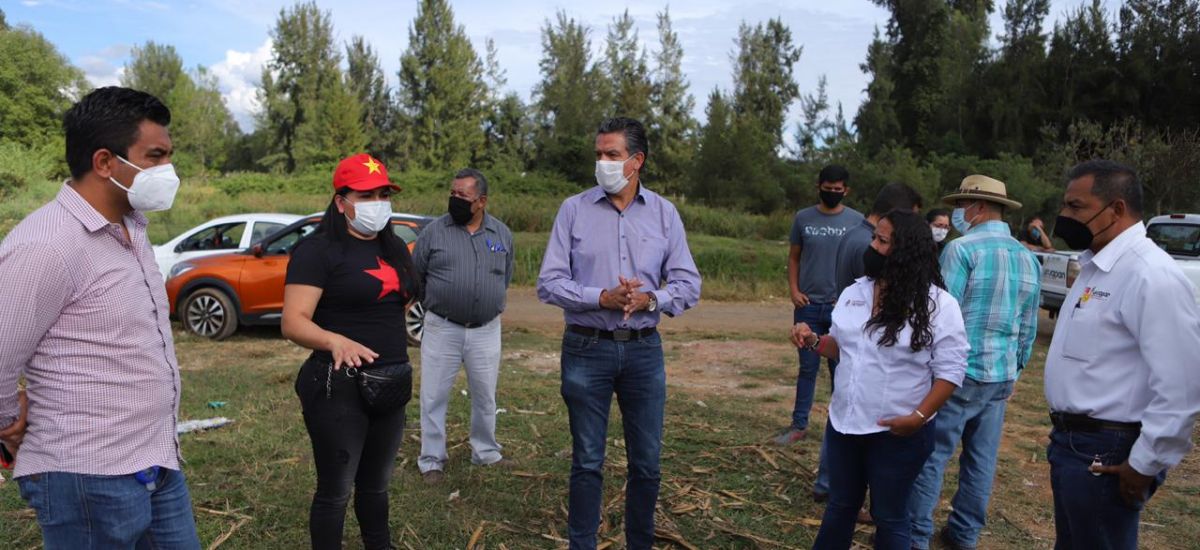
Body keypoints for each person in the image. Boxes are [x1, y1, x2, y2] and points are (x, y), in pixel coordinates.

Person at [0, 87, 201, 548]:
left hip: (157, 459)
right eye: (154, 156)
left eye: (169, 156)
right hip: (87, 477)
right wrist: (9, 421)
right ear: (105, 162)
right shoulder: (47, 244)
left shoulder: (132, 228)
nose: (168, 171)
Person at [537, 117, 701, 550]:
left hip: (645, 351)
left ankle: (639, 543)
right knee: (588, 461)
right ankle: (582, 544)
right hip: (587, 348)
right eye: (599, 155)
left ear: (636, 161)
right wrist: (600, 297)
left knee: (646, 464)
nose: (603, 163)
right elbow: (549, 282)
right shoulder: (574, 209)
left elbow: (688, 284)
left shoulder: (665, 214)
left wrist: (651, 300)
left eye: (612, 155)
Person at [1043, 160, 1200, 549]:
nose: (1064, 217)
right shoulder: (1096, 268)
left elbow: (1181, 384)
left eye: (1076, 207)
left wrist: (1145, 462)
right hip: (1072, 444)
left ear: (1116, 209)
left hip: (1108, 452)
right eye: (1065, 206)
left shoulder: (1151, 275)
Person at [793, 209, 968, 550]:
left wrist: (917, 419)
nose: (871, 246)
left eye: (881, 241)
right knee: (840, 506)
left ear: (904, 250)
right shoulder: (854, 292)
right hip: (844, 425)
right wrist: (814, 340)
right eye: (874, 237)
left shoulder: (938, 305)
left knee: (889, 516)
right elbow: (843, 348)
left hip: (897, 432)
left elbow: (951, 372)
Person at [281, 153, 420, 550]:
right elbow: (294, 321)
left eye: (382, 194)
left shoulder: (395, 247)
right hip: (337, 386)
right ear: (341, 202)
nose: (377, 202)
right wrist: (334, 340)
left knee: (376, 487)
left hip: (390, 382)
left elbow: (400, 301)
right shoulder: (318, 251)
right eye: (365, 195)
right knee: (336, 490)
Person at [907, 175, 1042, 550]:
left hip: (959, 374)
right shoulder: (1028, 257)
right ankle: (964, 535)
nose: (957, 214)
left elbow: (940, 317)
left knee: (931, 457)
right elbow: (1028, 325)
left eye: (961, 206)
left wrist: (926, 368)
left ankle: (915, 537)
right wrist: (1015, 369)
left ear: (978, 208)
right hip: (999, 376)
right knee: (981, 460)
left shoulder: (961, 250)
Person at [813, 182, 923, 504]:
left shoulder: (851, 233)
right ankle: (843, 487)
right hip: (859, 344)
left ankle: (829, 482)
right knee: (851, 417)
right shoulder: (871, 246)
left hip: (848, 339)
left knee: (842, 409)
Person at [415, 168, 515, 484]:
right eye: (453, 193)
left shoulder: (501, 234)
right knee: (433, 395)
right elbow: (417, 274)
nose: (455, 200)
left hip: (486, 329)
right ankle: (431, 459)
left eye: (463, 196)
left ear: (481, 201)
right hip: (442, 327)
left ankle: (485, 452)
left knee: (485, 395)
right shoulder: (433, 232)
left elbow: (506, 277)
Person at [778, 165, 864, 446]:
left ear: (846, 190)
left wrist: (851, 297)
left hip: (843, 307)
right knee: (807, 368)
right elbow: (794, 257)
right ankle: (799, 425)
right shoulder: (803, 218)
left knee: (841, 369)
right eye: (827, 189)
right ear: (819, 187)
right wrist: (793, 290)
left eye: (837, 190)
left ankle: (841, 427)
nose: (832, 194)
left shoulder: (857, 221)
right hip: (808, 306)